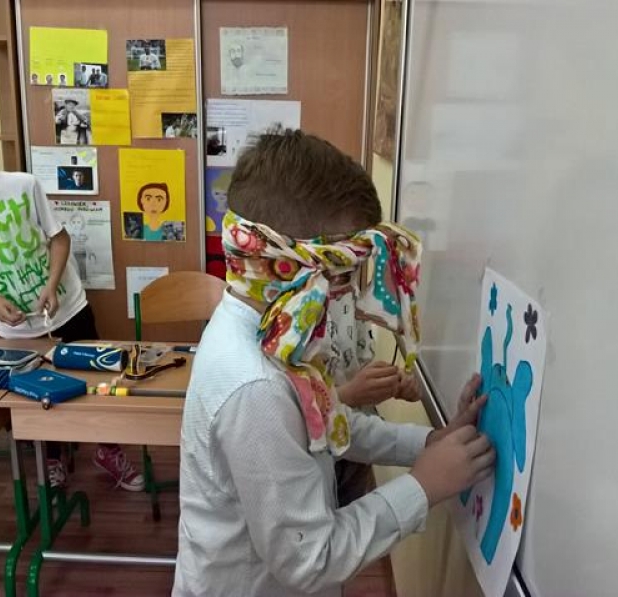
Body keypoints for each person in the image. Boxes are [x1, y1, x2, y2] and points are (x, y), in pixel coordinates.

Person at [174, 131, 494, 596]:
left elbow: (324, 424)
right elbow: (309, 558)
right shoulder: (256, 386)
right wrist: (423, 486)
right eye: (343, 271)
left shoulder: (277, 333)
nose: (349, 291)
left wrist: (429, 443)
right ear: (287, 264)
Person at [0, 98, 143, 492]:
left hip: (69, 308)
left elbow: (59, 238)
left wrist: (51, 285)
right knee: (41, 396)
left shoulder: (23, 185)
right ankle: (52, 458)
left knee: (95, 385)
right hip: (16, 328)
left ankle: (108, 449)